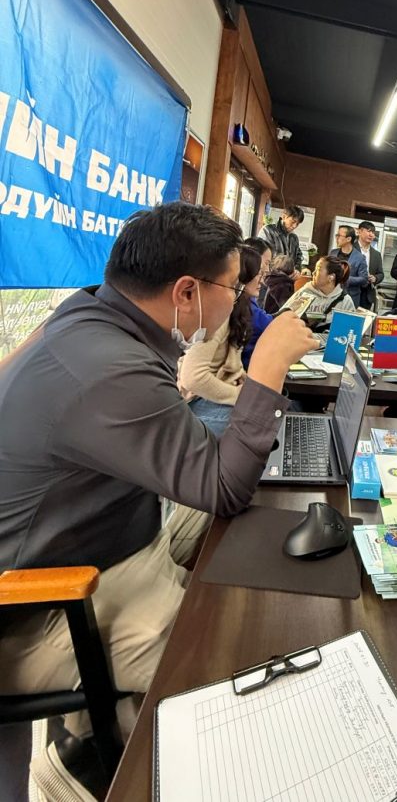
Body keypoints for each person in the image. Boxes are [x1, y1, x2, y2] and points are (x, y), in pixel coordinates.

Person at [0, 202, 316, 800]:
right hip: (39, 603)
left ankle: (108, 728)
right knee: (223, 652)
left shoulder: (91, 312)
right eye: (234, 286)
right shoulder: (108, 368)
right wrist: (270, 365)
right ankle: (88, 765)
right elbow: (224, 488)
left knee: (229, 550)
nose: (239, 298)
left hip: (102, 536)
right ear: (187, 292)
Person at [179, 244, 273, 435]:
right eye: (258, 274)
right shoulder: (219, 316)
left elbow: (232, 363)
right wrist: (239, 395)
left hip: (213, 394)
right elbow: (192, 378)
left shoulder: (240, 309)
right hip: (197, 400)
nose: (262, 280)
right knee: (260, 424)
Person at [294, 254, 356, 333]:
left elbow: (351, 332)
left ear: (331, 277)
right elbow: (286, 317)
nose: (313, 273)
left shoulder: (345, 301)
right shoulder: (304, 293)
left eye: (318, 269)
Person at [256, 204, 304, 271]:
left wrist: (296, 270)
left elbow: (299, 256)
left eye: (297, 224)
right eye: (293, 222)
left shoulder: (294, 237)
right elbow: (265, 257)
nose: (294, 226)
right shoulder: (268, 231)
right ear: (284, 217)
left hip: (288, 276)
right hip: (270, 275)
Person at [330, 224, 368, 307]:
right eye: (336, 235)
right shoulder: (333, 253)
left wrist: (346, 279)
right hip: (331, 295)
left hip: (350, 297)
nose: (336, 238)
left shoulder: (360, 257)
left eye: (339, 235)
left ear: (348, 239)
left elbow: (364, 279)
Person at [355, 220, 384, 310]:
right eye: (368, 231)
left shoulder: (376, 254)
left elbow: (381, 274)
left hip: (367, 295)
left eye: (373, 232)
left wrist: (375, 278)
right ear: (359, 231)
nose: (371, 235)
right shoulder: (351, 248)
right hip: (351, 292)